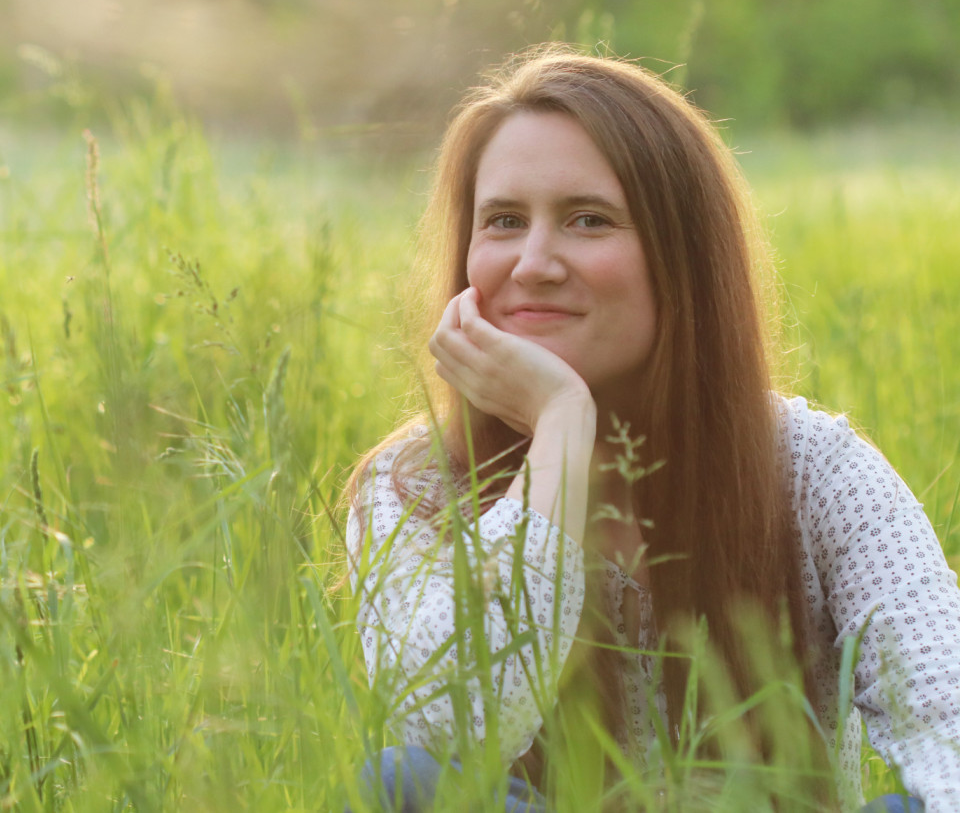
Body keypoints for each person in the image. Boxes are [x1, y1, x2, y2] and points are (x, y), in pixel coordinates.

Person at [344, 46, 960, 812]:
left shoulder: (813, 470)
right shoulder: (417, 484)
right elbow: (445, 733)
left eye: (587, 219)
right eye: (504, 220)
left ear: (683, 257)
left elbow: (951, 728)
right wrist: (561, 431)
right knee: (404, 783)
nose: (533, 262)